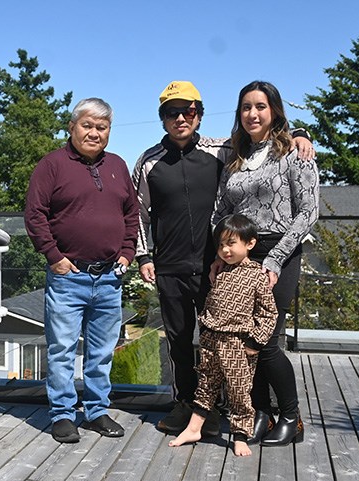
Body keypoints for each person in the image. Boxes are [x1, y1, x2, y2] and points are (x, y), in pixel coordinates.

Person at [131, 81, 313, 437]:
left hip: (219, 265)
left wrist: (301, 133)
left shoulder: (223, 150)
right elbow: (138, 213)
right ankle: (187, 404)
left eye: (189, 111)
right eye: (172, 112)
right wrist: (142, 254)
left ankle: (245, 409)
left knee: (236, 339)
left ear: (199, 114)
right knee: (180, 340)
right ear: (162, 118)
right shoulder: (148, 160)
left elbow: (263, 136)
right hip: (170, 265)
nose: (181, 118)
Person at [25, 97, 140, 443]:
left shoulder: (118, 166)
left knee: (102, 351)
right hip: (68, 276)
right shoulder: (52, 165)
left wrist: (127, 253)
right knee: (62, 349)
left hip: (109, 277)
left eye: (101, 127)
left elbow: (131, 215)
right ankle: (62, 414)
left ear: (109, 132)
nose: (94, 132)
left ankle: (96, 411)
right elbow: (35, 215)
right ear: (72, 127)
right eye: (87, 125)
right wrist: (54, 257)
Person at [212, 80, 319, 446]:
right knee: (243, 338)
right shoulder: (236, 158)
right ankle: (260, 413)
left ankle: (291, 417)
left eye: (260, 106)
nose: (252, 114)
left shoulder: (294, 153)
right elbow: (221, 212)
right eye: (245, 107)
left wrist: (274, 260)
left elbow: (308, 212)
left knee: (267, 341)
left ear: (273, 110)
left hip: (281, 253)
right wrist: (219, 255)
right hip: (241, 254)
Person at [169, 214, 277, 456]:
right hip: (212, 338)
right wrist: (206, 328)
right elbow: (212, 302)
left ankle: (240, 435)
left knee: (239, 390)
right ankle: (194, 428)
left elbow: (269, 313)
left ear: (250, 243)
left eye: (232, 243)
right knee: (206, 385)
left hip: (238, 342)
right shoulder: (219, 271)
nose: (225, 250)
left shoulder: (257, 275)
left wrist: (256, 341)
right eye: (221, 245)